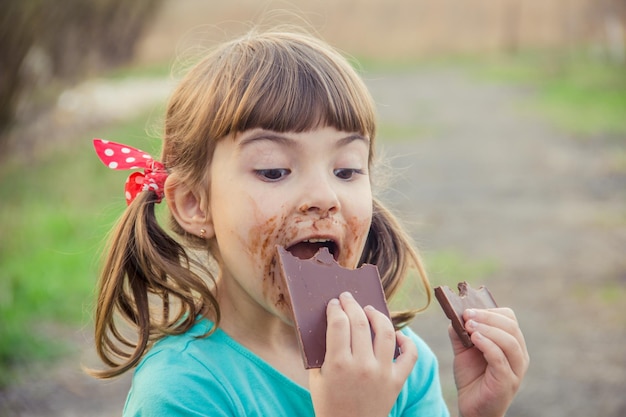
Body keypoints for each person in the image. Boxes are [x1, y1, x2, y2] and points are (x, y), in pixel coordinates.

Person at [90, 26, 529, 417]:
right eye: (274, 170)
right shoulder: (182, 393)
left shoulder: (397, 359)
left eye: (347, 170)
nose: (324, 197)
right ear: (193, 204)